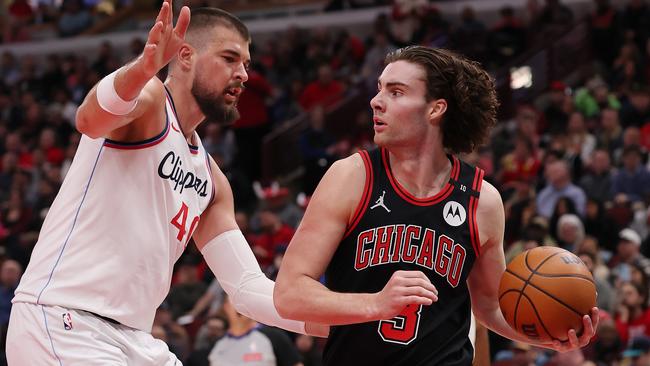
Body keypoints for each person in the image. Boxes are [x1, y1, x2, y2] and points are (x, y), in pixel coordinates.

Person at [6, 4, 325, 365]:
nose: (243, 74)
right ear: (185, 55)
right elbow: (89, 119)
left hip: (134, 338)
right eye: (229, 58)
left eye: (247, 65)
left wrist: (346, 322)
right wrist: (141, 71)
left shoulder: (212, 180)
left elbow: (249, 290)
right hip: (66, 322)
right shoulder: (151, 102)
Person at [274, 46, 598, 365]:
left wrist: (547, 336)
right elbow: (289, 294)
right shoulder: (352, 177)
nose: (376, 101)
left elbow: (491, 307)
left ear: (435, 109)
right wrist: (376, 304)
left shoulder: (482, 200)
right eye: (379, 89)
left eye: (396, 92)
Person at [208, 296, 303, 366]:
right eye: (235, 301)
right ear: (226, 307)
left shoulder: (275, 337)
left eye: (243, 301)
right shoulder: (217, 344)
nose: (240, 307)